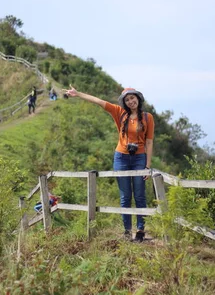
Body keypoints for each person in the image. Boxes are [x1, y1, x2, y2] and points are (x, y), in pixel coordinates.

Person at [64, 86, 154, 242]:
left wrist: (147, 166)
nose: (131, 101)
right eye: (127, 99)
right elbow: (98, 101)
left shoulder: (147, 117)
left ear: (138, 98)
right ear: (124, 103)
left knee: (140, 196)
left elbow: (149, 142)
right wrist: (77, 94)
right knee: (125, 196)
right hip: (121, 158)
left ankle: (140, 230)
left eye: (132, 98)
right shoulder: (119, 113)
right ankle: (127, 231)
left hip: (140, 158)